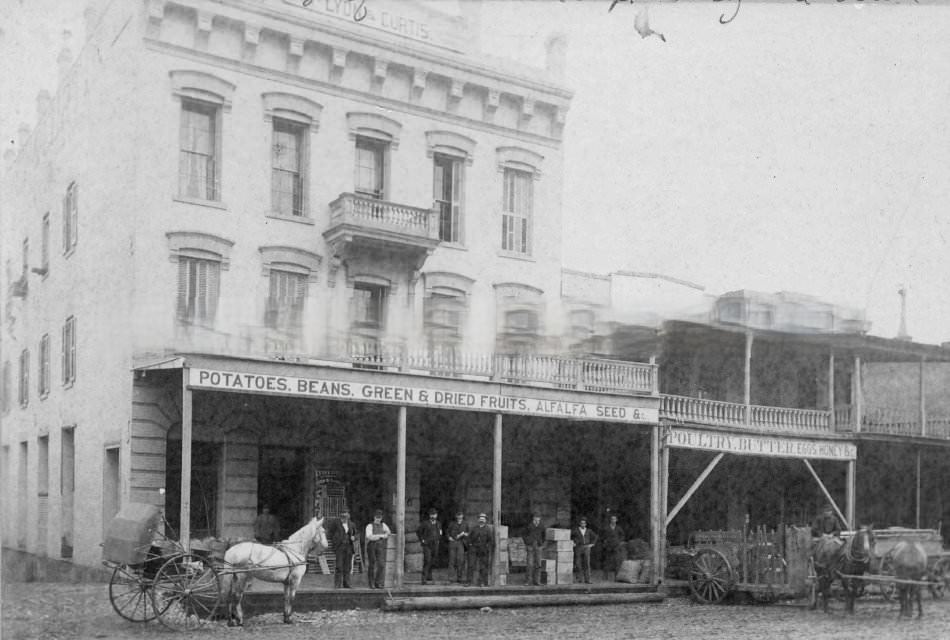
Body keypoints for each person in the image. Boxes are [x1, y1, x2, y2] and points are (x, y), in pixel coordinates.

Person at [328, 508, 358, 588]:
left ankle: (346, 583)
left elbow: (357, 534)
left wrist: (354, 538)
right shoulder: (335, 523)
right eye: (342, 516)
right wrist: (335, 540)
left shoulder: (352, 524)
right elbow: (330, 533)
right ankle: (337, 584)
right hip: (340, 547)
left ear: (348, 516)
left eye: (346, 516)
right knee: (339, 566)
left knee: (348, 566)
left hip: (349, 547)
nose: (344, 518)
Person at [364, 509, 391, 589]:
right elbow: (369, 536)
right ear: (374, 517)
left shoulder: (384, 525)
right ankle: (371, 583)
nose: (378, 519)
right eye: (376, 517)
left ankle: (377, 582)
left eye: (379, 517)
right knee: (372, 564)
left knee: (381, 565)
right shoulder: (369, 526)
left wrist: (380, 535)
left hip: (380, 546)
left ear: (381, 518)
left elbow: (388, 533)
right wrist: (381, 536)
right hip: (371, 546)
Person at [467, 513, 494, 587]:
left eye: (483, 519)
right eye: (480, 518)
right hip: (474, 549)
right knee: (471, 565)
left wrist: (487, 547)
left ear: (485, 520)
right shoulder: (474, 528)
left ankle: (483, 582)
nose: (481, 520)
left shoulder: (488, 529)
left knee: (483, 566)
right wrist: (470, 545)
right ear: (478, 520)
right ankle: (469, 582)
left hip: (483, 549)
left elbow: (491, 540)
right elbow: (469, 538)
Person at [416, 508, 442, 585]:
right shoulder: (425, 523)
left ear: (436, 515)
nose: (433, 516)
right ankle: (423, 579)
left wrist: (438, 540)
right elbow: (418, 531)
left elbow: (440, 533)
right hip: (427, 545)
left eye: (434, 515)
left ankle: (429, 576)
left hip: (435, 545)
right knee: (427, 560)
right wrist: (422, 540)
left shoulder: (438, 524)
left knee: (432, 561)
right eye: (432, 515)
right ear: (429, 515)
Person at [572, 516, 598, 584]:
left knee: (587, 563)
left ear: (586, 524)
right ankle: (579, 579)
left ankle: (588, 579)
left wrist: (592, 544)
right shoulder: (576, 530)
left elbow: (595, 536)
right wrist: (573, 542)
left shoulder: (589, 531)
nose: (583, 524)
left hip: (586, 547)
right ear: (579, 524)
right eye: (581, 523)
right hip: (578, 547)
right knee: (578, 563)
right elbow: (570, 536)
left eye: (584, 523)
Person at [446, 510, 469, 583]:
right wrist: (449, 537)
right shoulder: (452, 524)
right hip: (453, 543)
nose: (459, 517)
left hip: (461, 543)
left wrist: (464, 534)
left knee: (460, 561)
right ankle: (451, 578)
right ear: (456, 517)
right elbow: (447, 532)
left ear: (462, 516)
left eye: (461, 516)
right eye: (458, 516)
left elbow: (468, 533)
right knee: (452, 561)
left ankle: (459, 577)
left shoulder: (465, 524)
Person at [522, 512, 545, 586]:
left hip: (538, 546)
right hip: (530, 546)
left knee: (538, 564)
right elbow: (524, 535)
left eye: (538, 519)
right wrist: (527, 542)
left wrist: (541, 544)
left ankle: (537, 581)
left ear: (540, 519)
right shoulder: (529, 526)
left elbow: (544, 536)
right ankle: (528, 581)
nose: (537, 521)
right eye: (535, 519)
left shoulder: (542, 526)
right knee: (530, 564)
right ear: (533, 519)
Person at [601, 513, 626, 582]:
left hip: (616, 547)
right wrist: (605, 542)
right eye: (612, 519)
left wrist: (620, 542)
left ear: (616, 520)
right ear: (610, 520)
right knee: (607, 562)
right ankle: (605, 577)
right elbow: (602, 536)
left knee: (617, 562)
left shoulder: (618, 528)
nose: (613, 520)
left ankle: (616, 577)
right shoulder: (606, 527)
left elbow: (622, 535)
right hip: (608, 547)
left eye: (614, 519)